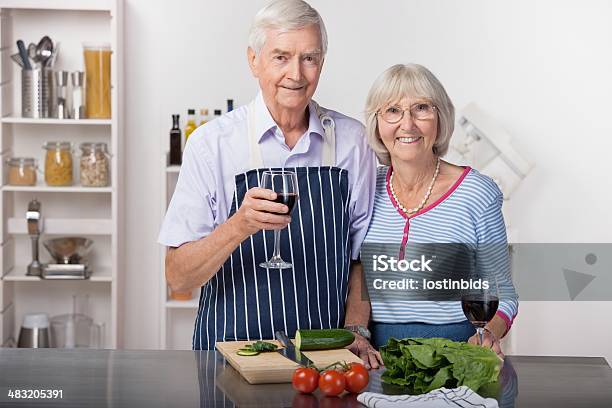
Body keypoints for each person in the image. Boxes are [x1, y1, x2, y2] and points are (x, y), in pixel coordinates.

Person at [158, 0, 382, 368]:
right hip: (228, 352)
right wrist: (237, 227)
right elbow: (178, 276)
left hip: (324, 357)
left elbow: (363, 257)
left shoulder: (352, 141)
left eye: (309, 58)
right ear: (253, 60)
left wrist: (356, 329)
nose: (296, 73)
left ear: (322, 63)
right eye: (281, 57)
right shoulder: (212, 144)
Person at [346, 64, 518, 359]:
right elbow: (357, 270)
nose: (407, 124)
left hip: (456, 352)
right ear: (377, 123)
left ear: (441, 117)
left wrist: (489, 333)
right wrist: (356, 333)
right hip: (375, 354)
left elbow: (504, 293)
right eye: (392, 111)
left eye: (421, 108)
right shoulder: (364, 186)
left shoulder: (477, 192)